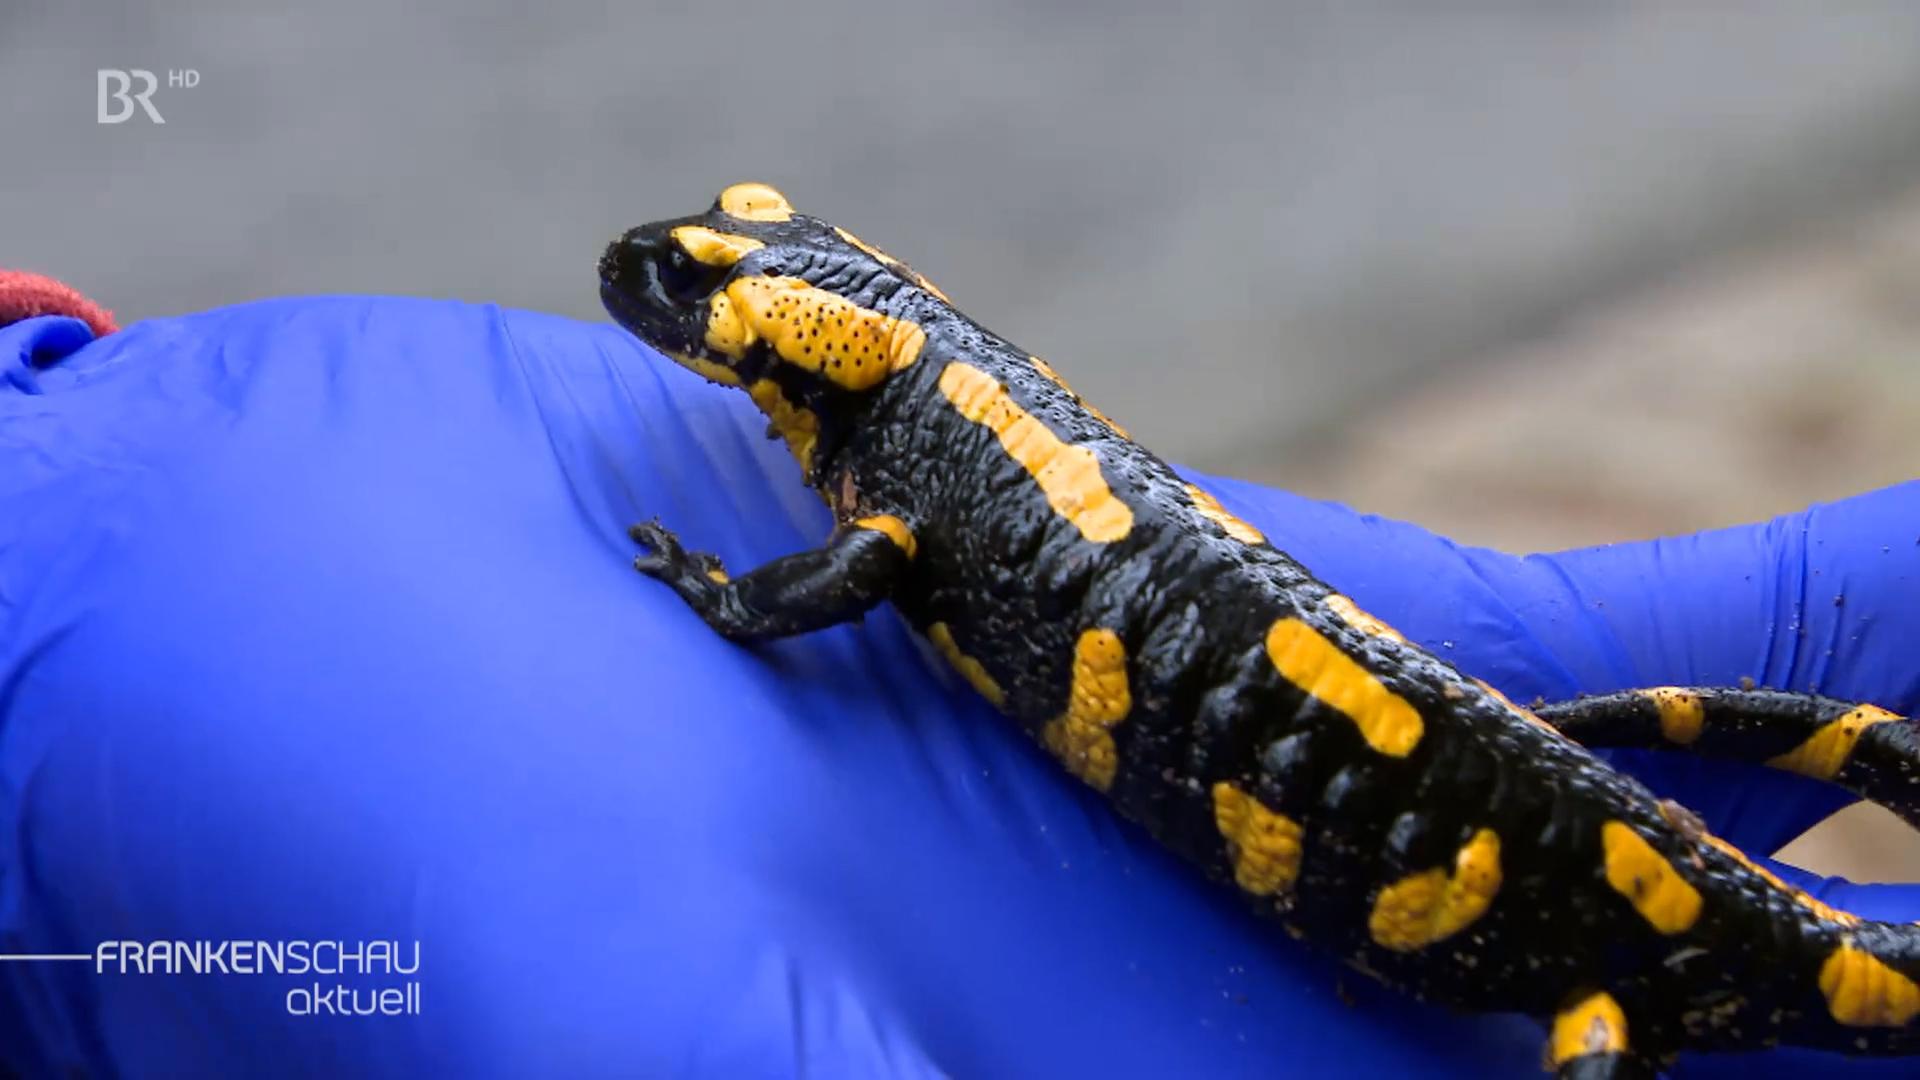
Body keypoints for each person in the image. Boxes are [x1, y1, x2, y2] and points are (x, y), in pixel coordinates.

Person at [1, 293, 1915, 1078]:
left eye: (709, 301)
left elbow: (858, 572)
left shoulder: (888, 468)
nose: (659, 299)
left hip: (1605, 961)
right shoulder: (890, 438)